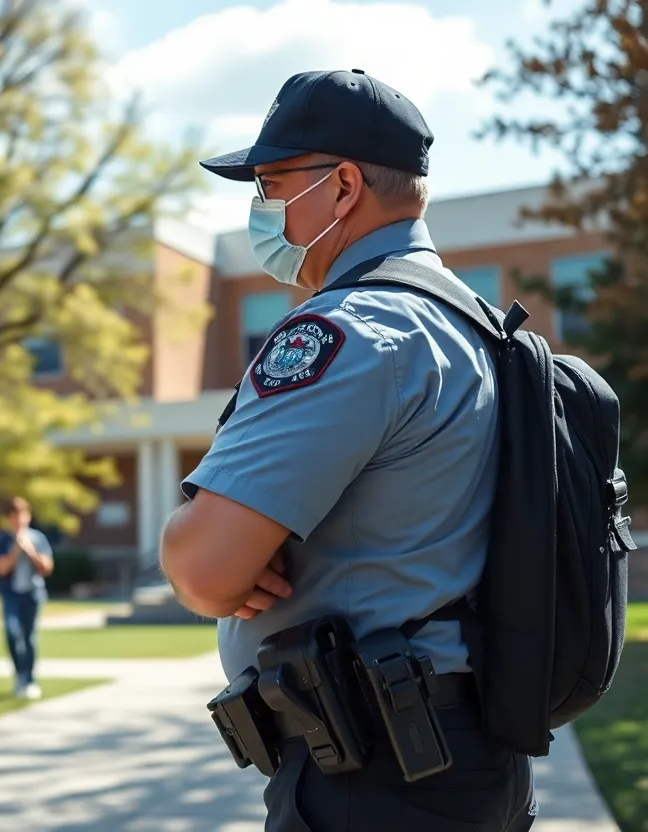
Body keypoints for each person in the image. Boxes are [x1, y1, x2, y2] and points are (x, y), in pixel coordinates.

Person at [158, 69, 537, 830]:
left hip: (376, 774)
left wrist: (192, 540)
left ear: (343, 186)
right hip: (471, 762)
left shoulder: (350, 332)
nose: (261, 209)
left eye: (270, 183)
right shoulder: (479, 330)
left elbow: (204, 570)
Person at [0, 497, 54, 700]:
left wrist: (30, 551)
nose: (19, 519)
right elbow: (1, 569)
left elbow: (47, 568)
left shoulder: (38, 539)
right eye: (15, 515)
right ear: (9, 518)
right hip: (11, 595)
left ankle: (30, 680)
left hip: (32, 594)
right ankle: (20, 676)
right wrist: (16, 549)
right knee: (12, 634)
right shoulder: (3, 541)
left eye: (23, 514)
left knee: (29, 638)